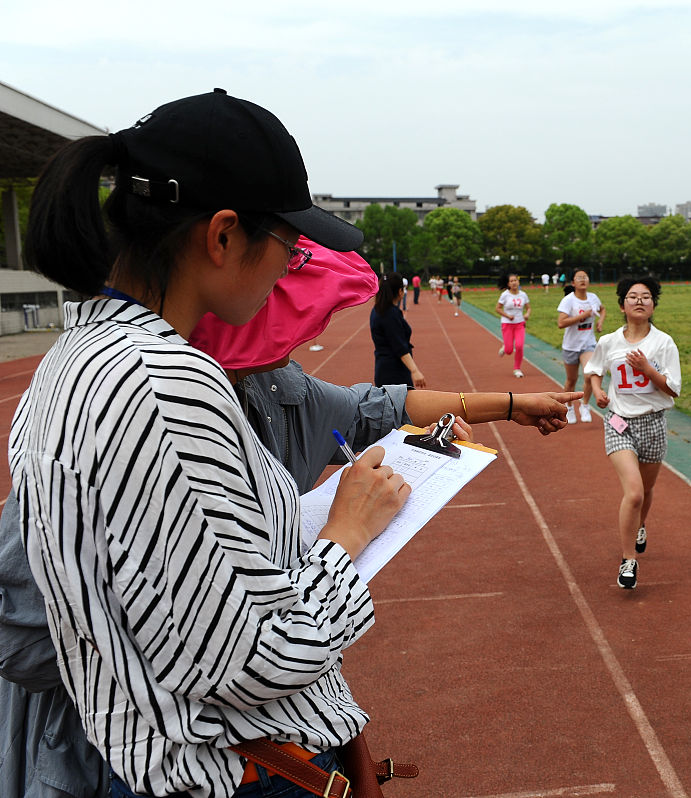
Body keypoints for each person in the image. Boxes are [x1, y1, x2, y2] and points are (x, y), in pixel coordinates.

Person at [2, 231, 579, 798]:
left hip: (281, 725)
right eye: (277, 295)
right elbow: (29, 630)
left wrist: (506, 405)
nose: (292, 339)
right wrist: (143, 645)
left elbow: (375, 407)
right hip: (152, 748)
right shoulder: (148, 408)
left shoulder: (275, 387)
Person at [11, 89, 415, 798]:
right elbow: (258, 657)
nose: (287, 275)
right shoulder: (167, 382)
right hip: (217, 774)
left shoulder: (71, 359)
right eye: (288, 252)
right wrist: (347, 534)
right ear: (224, 236)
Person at [585, 277, 681, 590]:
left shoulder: (663, 342)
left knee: (647, 491)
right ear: (622, 304)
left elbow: (673, 389)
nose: (639, 301)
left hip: (653, 423)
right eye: (632, 296)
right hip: (618, 422)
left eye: (646, 297)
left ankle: (640, 526)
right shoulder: (609, 342)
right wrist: (598, 391)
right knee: (635, 492)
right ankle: (629, 560)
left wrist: (648, 369)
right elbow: (595, 370)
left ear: (653, 305)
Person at [557, 269, 606, 423]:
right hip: (571, 346)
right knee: (571, 380)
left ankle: (584, 405)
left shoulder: (593, 298)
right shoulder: (569, 300)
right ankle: (569, 407)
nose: (583, 280)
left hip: (588, 344)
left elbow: (602, 309)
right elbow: (561, 323)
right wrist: (582, 316)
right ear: (573, 283)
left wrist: (600, 321)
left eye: (585, 277)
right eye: (579, 278)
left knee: (590, 374)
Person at [370, 272, 426, 388]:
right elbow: (399, 346)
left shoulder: (377, 310)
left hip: (384, 368)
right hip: (394, 372)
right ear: (400, 291)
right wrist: (415, 371)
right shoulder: (390, 314)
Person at [497, 272, 530, 378]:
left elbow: (528, 307)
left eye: (515, 280)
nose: (514, 283)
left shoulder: (523, 294)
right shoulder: (505, 295)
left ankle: (517, 369)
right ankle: (505, 347)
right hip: (507, 324)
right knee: (509, 350)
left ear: (518, 281)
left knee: (519, 346)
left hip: (520, 323)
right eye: (511, 281)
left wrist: (527, 314)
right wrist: (507, 316)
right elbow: (497, 308)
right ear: (508, 284)